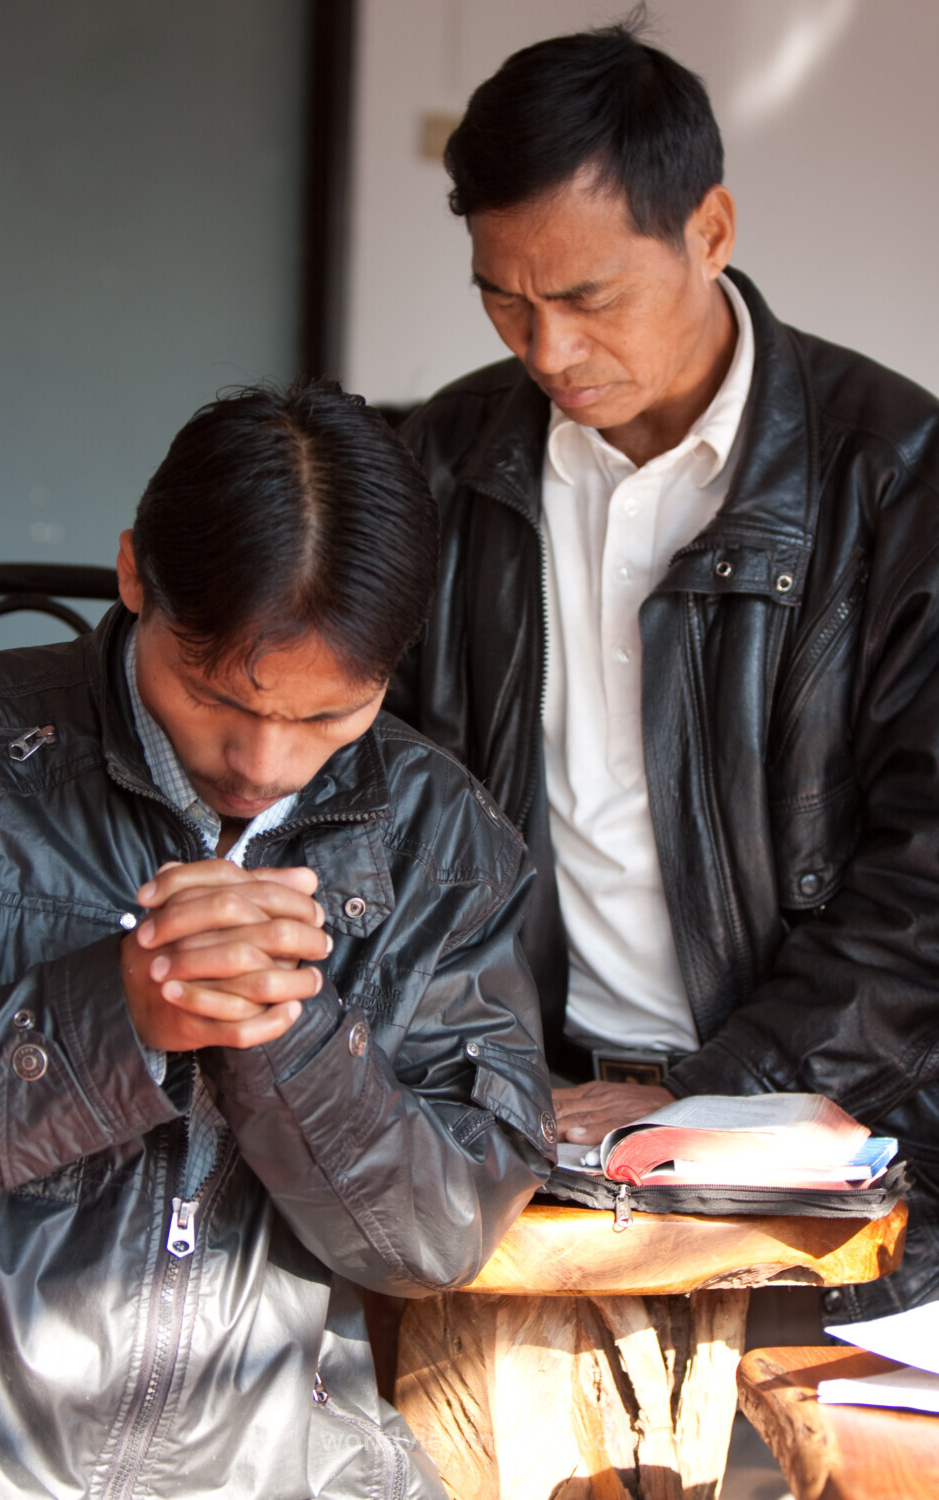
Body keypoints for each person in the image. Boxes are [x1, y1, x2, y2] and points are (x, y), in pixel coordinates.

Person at [386, 20, 939, 1317]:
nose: (546, 349)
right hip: (534, 1110)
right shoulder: (440, 466)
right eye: (503, 297)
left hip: (826, 1123)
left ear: (711, 229)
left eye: (586, 297)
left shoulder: (898, 478)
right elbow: (378, 801)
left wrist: (725, 1091)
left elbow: (929, 874)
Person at [0, 380, 555, 1498]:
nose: (264, 764)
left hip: (294, 1469)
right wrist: (111, 1018)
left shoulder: (441, 840)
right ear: (135, 575)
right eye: (217, 696)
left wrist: (293, 1039)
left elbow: (440, 1238)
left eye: (329, 716)